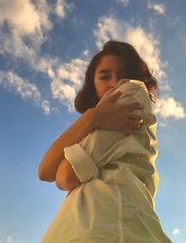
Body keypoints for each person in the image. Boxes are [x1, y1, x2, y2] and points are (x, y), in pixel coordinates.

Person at [38, 40, 172, 243]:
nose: (116, 82)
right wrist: (90, 118)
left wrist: (92, 120)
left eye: (124, 75)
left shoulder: (132, 91)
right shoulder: (94, 121)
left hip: (110, 227)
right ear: (93, 86)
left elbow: (66, 175)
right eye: (105, 76)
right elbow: (45, 172)